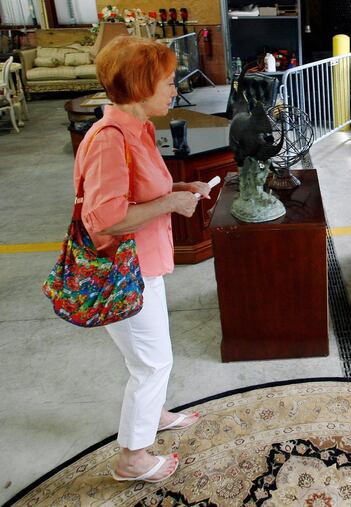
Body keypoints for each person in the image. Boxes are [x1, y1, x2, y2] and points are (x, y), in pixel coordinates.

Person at [74, 36, 210, 482]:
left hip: (143, 265)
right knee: (153, 363)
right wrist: (172, 205)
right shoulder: (110, 140)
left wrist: (177, 191)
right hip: (123, 271)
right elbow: (105, 219)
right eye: (168, 82)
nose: (174, 89)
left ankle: (154, 415)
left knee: (149, 358)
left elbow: (138, 193)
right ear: (139, 85)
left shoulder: (137, 130)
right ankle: (133, 458)